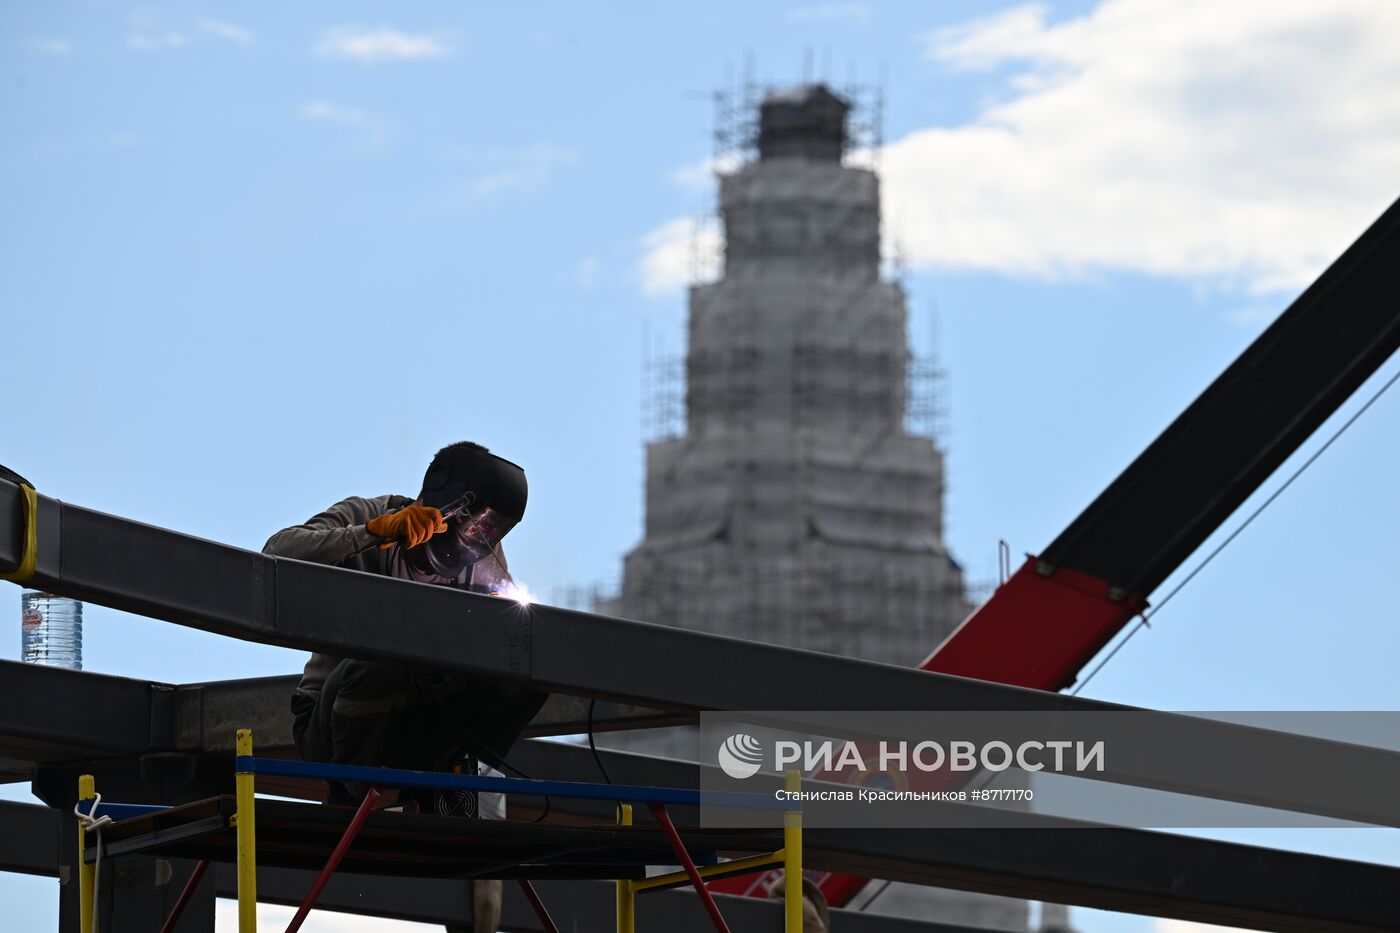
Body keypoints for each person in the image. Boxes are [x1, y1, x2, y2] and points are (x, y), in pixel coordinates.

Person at [263, 441, 546, 933]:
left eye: (493, 530)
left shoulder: (484, 562)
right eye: (478, 522)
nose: (481, 537)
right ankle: (352, 791)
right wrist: (369, 535)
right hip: (330, 725)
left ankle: (452, 787)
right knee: (387, 655)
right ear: (451, 501)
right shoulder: (375, 516)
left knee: (525, 679)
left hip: (415, 721)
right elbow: (276, 553)